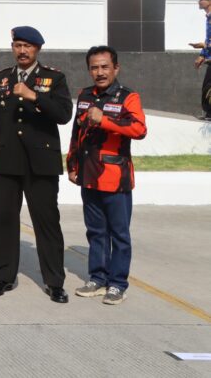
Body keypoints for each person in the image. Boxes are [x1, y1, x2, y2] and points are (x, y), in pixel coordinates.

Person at [0, 26, 73, 303]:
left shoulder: (53, 78)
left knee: (46, 222)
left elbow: (64, 114)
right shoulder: (1, 79)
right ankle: (2, 277)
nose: (22, 51)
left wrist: (35, 96)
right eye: (18, 45)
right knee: (3, 221)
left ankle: (55, 282)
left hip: (40, 163)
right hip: (6, 161)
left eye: (28, 46)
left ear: (38, 49)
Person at [67, 46, 147, 306]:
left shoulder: (128, 97)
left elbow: (139, 129)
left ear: (116, 68)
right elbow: (76, 132)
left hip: (116, 177)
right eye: (94, 67)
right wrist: (72, 164)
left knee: (119, 234)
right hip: (89, 175)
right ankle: (97, 278)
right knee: (95, 231)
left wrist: (104, 120)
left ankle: (117, 284)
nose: (99, 72)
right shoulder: (85, 95)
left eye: (104, 67)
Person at [191, 0, 211, 120]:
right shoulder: (208, 17)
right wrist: (202, 55)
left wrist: (203, 46)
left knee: (208, 86)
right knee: (207, 86)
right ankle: (209, 113)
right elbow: (208, 39)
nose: (199, 2)